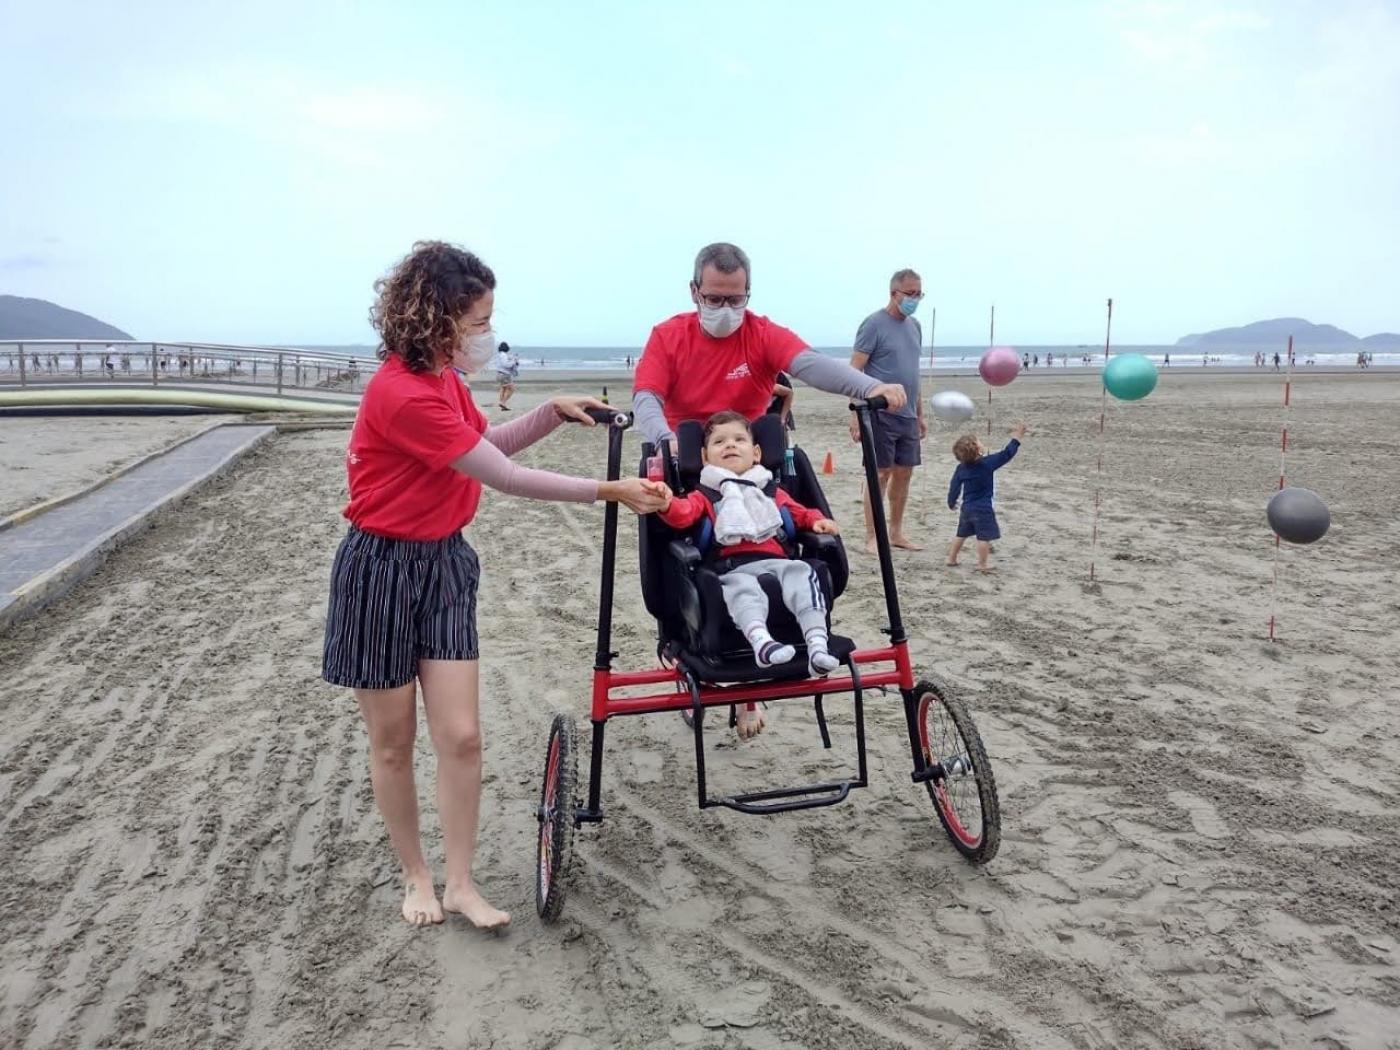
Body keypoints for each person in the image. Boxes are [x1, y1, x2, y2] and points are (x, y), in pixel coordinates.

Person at [322, 241, 668, 930]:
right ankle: (416, 876)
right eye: (478, 321)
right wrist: (609, 490)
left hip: (445, 564)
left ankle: (459, 883)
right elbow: (501, 478)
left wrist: (550, 411)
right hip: (379, 570)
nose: (486, 332)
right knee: (393, 741)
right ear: (438, 318)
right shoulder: (399, 391)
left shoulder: (446, 380)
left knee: (462, 736)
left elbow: (490, 447)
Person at [656, 411, 842, 737]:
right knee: (744, 590)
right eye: (719, 442)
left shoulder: (771, 491)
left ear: (756, 452)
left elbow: (799, 514)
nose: (730, 445)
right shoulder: (705, 495)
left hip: (778, 563)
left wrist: (816, 521)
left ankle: (817, 645)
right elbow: (682, 516)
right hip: (731, 568)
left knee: (804, 574)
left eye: (739, 439)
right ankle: (762, 643)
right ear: (704, 457)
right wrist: (667, 502)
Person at [631, 242, 907, 451]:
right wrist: (664, 438)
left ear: (747, 293)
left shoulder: (762, 334)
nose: (726, 309)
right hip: (684, 450)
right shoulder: (668, 336)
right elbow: (646, 397)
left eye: (736, 300)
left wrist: (870, 387)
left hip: (746, 453)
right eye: (714, 299)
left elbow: (811, 365)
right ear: (694, 292)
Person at [849, 268, 928, 552]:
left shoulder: (915, 326)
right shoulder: (873, 324)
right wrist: (855, 415)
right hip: (879, 412)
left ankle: (895, 532)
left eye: (919, 293)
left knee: (904, 473)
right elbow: (855, 371)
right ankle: (873, 536)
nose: (915, 299)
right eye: (910, 293)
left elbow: (912, 373)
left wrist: (919, 413)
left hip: (907, 414)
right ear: (894, 293)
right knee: (879, 473)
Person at [946, 423, 1030, 573]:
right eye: (979, 442)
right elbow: (1007, 453)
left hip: (967, 508)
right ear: (978, 450)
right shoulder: (988, 463)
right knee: (983, 537)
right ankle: (982, 564)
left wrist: (951, 502)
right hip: (983, 508)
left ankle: (951, 558)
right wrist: (1017, 437)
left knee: (961, 534)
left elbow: (954, 487)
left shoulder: (961, 468)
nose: (982, 443)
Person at [493, 340, 519, 410]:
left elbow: (502, 364)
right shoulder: (503, 355)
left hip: (499, 374)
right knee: (511, 389)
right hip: (504, 375)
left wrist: (511, 360)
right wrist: (513, 362)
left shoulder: (499, 355)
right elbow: (506, 365)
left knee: (503, 388)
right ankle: (503, 402)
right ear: (506, 348)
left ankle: (502, 403)